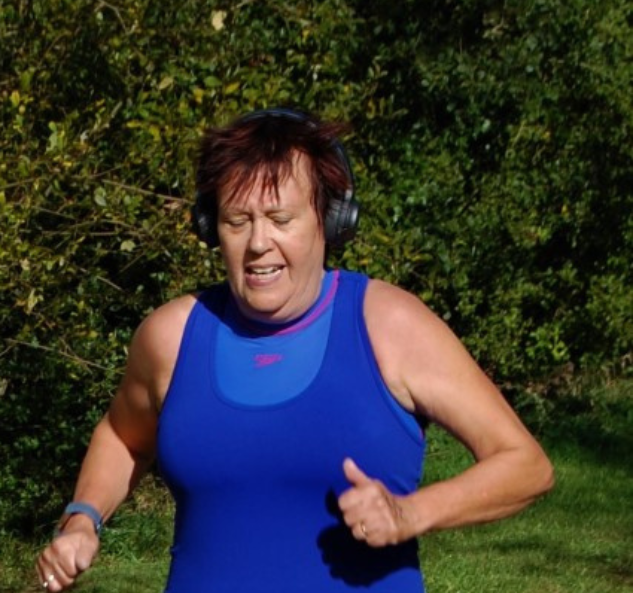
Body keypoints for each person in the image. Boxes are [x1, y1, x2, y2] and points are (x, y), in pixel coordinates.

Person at [35, 108, 554, 592]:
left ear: (330, 222)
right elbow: (124, 437)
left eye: (280, 219)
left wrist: (410, 514)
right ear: (210, 228)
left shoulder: (390, 325)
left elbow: (525, 465)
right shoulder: (172, 336)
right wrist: (84, 517)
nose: (259, 242)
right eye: (237, 221)